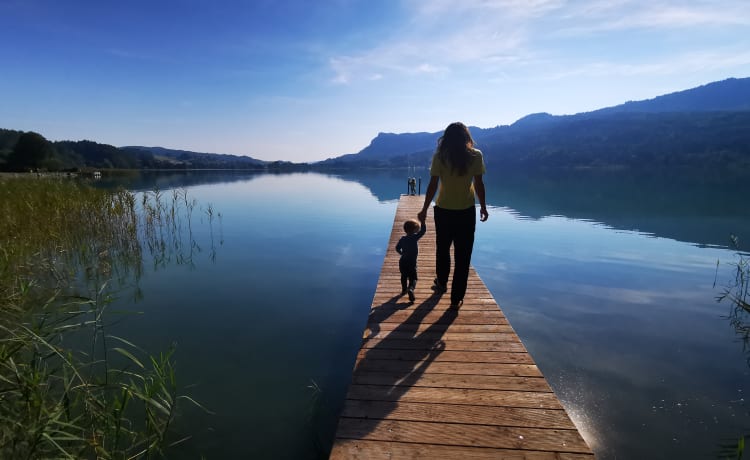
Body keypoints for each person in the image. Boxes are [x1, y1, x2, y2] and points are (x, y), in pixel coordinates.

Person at [417, 122, 488, 309]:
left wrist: (424, 209)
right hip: (465, 212)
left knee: (442, 249)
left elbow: (433, 185)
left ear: (446, 138)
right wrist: (483, 206)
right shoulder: (475, 155)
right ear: (466, 137)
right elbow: (479, 184)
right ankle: (456, 298)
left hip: (443, 211)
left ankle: (441, 284)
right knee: (463, 256)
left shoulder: (440, 156)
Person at [395, 216, 426, 302]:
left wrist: (402, 254)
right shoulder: (414, 237)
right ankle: (411, 289)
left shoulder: (402, 239)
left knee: (404, 276)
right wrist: (423, 222)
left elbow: (397, 248)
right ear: (415, 230)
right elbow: (423, 231)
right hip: (412, 262)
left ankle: (404, 289)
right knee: (413, 278)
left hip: (402, 261)